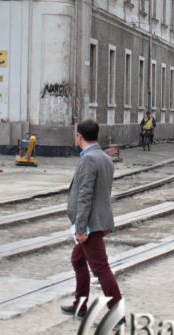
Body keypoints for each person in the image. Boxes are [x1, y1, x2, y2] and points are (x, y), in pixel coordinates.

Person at [62, 119, 124, 322]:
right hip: (99, 220)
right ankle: (80, 305)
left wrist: (80, 228)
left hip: (89, 223)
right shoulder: (105, 157)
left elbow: (85, 195)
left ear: (79, 135)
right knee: (78, 260)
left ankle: (117, 314)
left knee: (101, 268)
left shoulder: (89, 159)